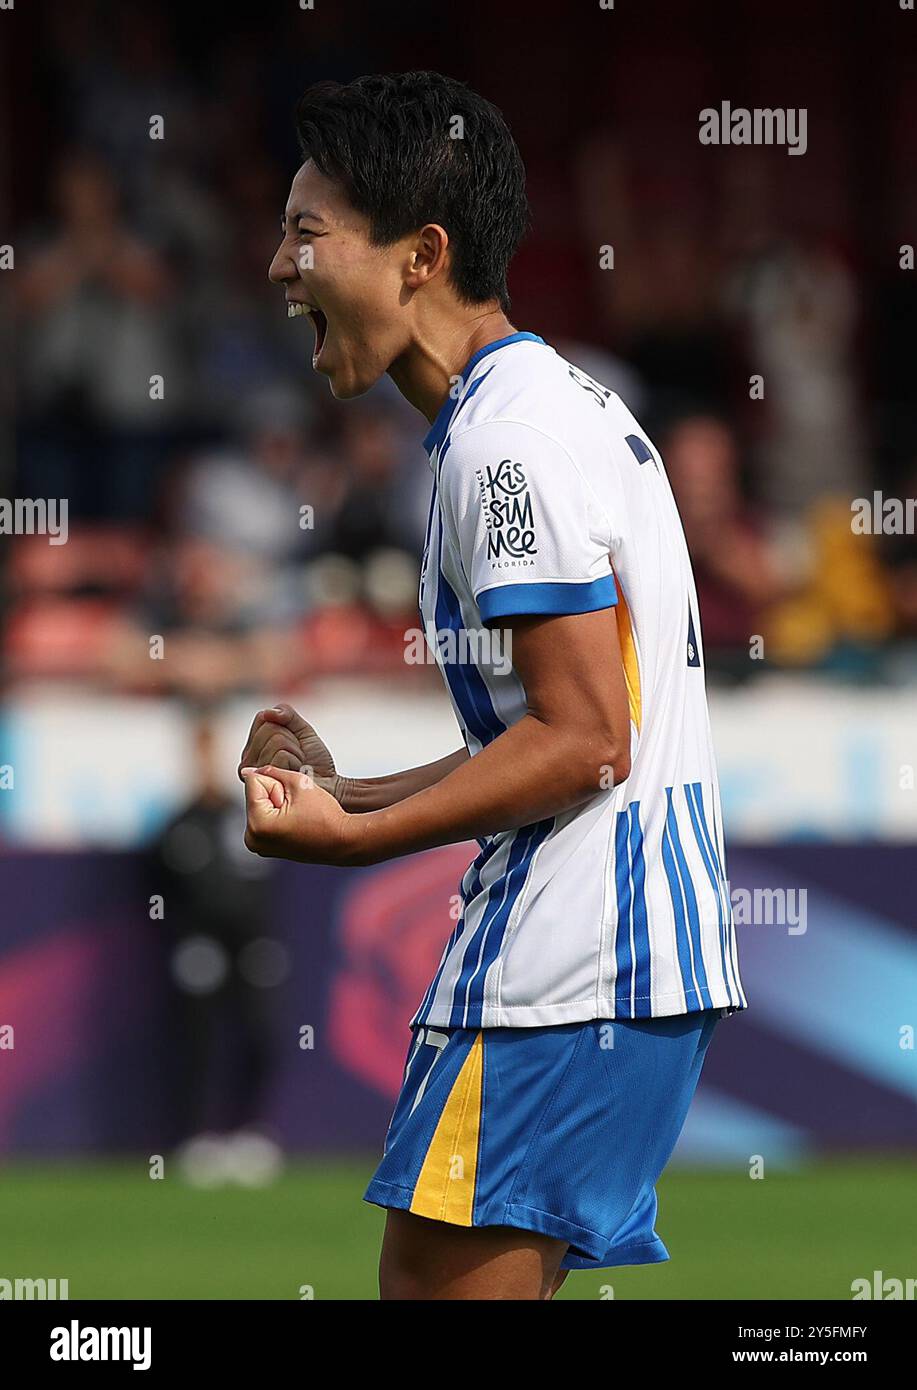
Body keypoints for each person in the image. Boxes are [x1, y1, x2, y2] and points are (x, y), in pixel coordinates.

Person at [238, 71, 746, 1301]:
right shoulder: (539, 406)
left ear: (421, 255)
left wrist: (353, 850)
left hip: (570, 969)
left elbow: (582, 743)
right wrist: (345, 797)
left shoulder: (502, 443)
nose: (276, 265)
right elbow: (550, 733)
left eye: (307, 233)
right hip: (619, 959)